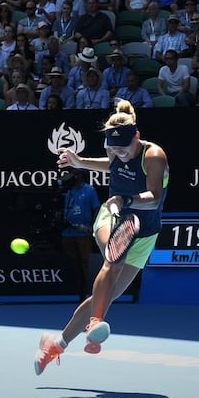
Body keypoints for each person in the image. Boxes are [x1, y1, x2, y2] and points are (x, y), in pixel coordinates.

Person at [36, 100, 170, 375]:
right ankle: (96, 322)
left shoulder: (154, 155)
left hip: (144, 231)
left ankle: (56, 344)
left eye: (124, 148)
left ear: (136, 135)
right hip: (111, 217)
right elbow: (111, 164)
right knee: (114, 259)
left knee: (107, 294)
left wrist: (125, 199)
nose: (119, 153)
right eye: (114, 148)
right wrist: (80, 162)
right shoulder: (115, 149)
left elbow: (154, 199)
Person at [60, 170, 101, 297]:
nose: (72, 176)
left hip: (83, 234)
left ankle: (87, 291)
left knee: (85, 262)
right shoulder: (67, 191)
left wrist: (93, 227)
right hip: (67, 233)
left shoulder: (89, 190)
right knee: (70, 261)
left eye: (75, 174)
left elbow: (96, 209)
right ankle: (72, 289)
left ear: (81, 175)